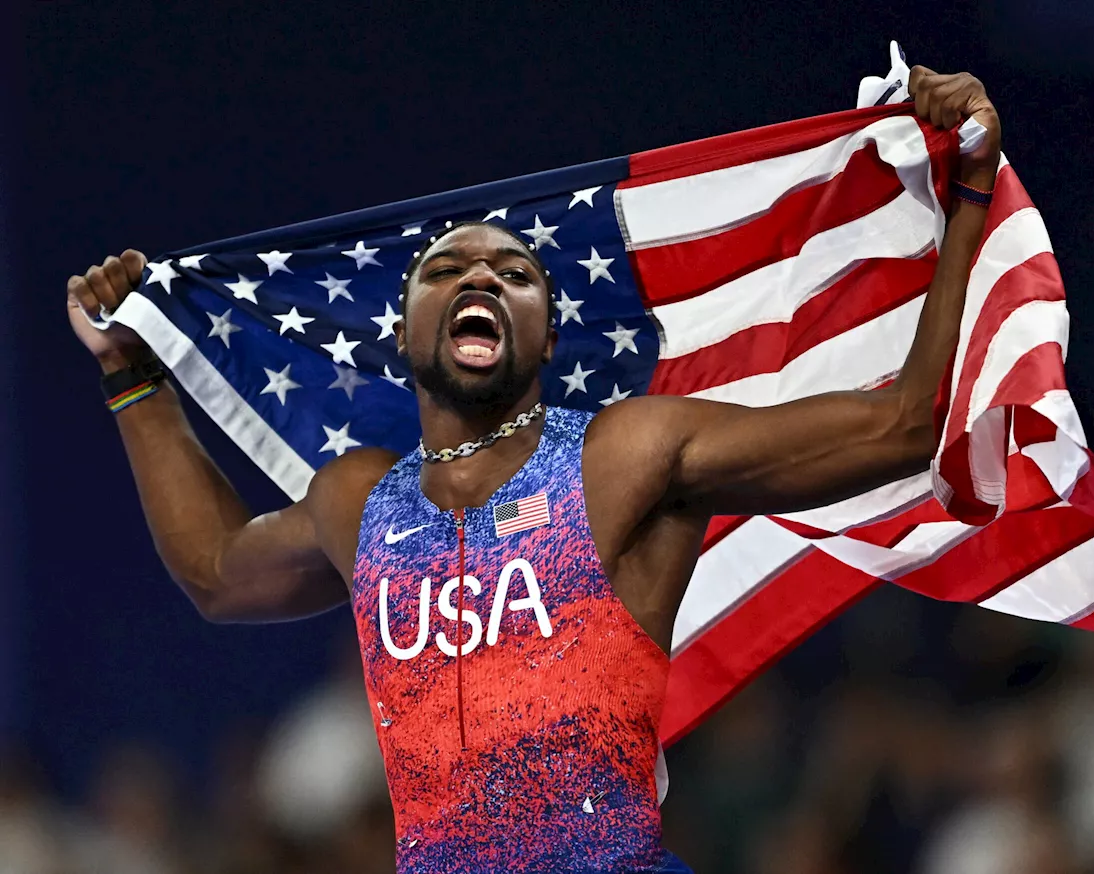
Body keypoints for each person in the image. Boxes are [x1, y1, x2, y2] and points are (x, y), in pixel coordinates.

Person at [65, 66, 1001, 874]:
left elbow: (898, 429)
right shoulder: (359, 499)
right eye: (446, 271)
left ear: (547, 336)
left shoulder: (623, 456)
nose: (479, 277)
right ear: (403, 336)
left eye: (513, 273)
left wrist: (966, 199)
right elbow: (216, 576)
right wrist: (131, 376)